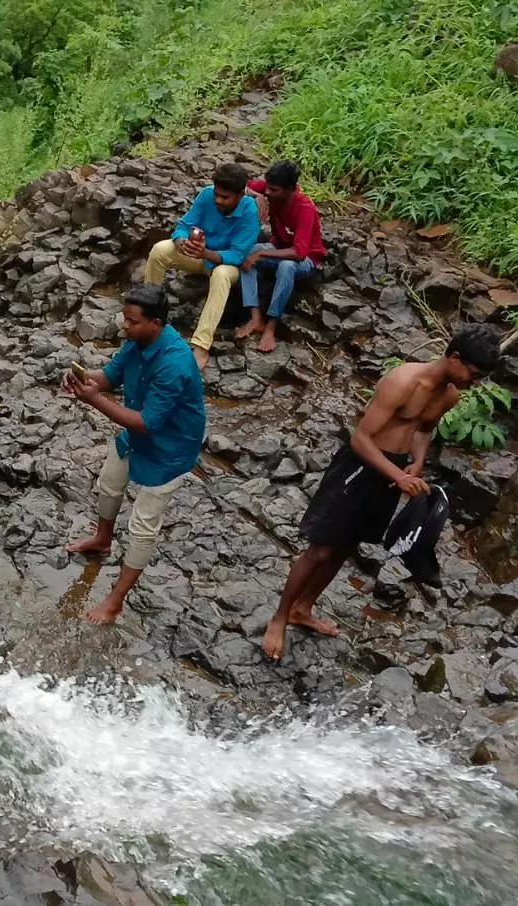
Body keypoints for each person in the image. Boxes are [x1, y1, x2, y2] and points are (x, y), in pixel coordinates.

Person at [261, 324, 502, 660]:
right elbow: (361, 438)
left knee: (345, 546)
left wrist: (416, 463)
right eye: (473, 374)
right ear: (454, 357)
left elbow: (424, 429)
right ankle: (280, 617)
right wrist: (397, 476)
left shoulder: (449, 395)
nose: (473, 382)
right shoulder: (403, 381)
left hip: (392, 474)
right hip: (360, 467)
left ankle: (304, 608)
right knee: (320, 548)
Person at [64, 285, 207, 625]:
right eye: (124, 319)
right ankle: (102, 538)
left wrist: (93, 399)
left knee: (143, 525)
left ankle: (115, 601)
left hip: (171, 448)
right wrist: (84, 379)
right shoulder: (137, 342)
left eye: (132, 321)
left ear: (155, 324)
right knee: (110, 483)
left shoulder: (174, 363)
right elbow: (111, 376)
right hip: (138, 433)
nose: (124, 326)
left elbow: (147, 423)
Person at [143, 163, 261, 369]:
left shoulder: (250, 212)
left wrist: (206, 253)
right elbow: (183, 226)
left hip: (225, 264)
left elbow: (238, 254)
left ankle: (201, 345)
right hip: (198, 255)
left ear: (240, 195)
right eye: (217, 194)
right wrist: (181, 242)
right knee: (161, 250)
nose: (218, 200)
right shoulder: (206, 195)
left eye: (225, 197)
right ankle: (147, 313)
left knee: (222, 274)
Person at [236, 160, 327, 353]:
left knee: (285, 266)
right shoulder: (268, 190)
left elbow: (299, 253)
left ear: (291, 189)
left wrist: (261, 253)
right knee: (246, 252)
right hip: (278, 247)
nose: (269, 192)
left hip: (306, 259)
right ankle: (255, 317)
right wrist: (257, 195)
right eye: (267, 188)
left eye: (274, 190)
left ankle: (271, 325)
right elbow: (241, 184)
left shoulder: (305, 208)